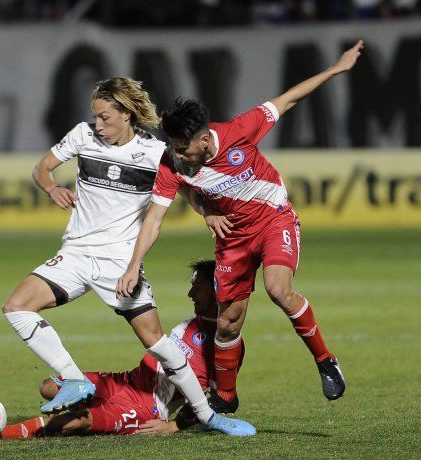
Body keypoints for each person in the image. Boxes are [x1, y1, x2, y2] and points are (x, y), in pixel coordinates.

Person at [117, 41, 365, 410]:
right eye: (172, 147)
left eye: (182, 148)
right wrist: (134, 264)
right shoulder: (172, 164)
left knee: (278, 289)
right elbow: (154, 218)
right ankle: (226, 398)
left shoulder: (240, 131)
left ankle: (326, 361)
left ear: (204, 140)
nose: (177, 155)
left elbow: (289, 99)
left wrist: (336, 69)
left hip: (273, 220)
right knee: (228, 323)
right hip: (233, 239)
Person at [1, 77, 254, 436]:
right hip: (75, 253)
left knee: (159, 345)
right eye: (95, 117)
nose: (98, 124)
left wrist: (208, 213)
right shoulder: (81, 136)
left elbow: (188, 190)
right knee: (16, 307)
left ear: (127, 114)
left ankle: (209, 415)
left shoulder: (155, 154)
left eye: (105, 117)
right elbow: (41, 168)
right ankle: (74, 380)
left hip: (119, 264)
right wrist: (52, 186)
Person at [0, 260, 235, 440]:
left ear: (215, 291)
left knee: (79, 422)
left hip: (143, 406)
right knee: (49, 386)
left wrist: (174, 426)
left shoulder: (224, 342)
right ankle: (101, 408)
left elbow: (220, 396)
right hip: (125, 381)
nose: (190, 294)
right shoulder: (192, 324)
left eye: (197, 288)